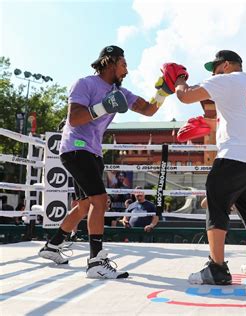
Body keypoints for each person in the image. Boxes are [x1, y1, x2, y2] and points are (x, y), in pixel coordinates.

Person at [38, 45, 166, 279]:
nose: (127, 70)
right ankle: (96, 260)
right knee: (100, 200)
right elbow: (75, 118)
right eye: (124, 64)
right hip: (76, 148)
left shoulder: (122, 92)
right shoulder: (84, 84)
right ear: (110, 62)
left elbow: (148, 110)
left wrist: (163, 90)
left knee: (85, 205)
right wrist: (104, 107)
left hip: (93, 152)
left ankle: (53, 245)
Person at [174, 50, 246, 285]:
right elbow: (240, 118)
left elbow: (186, 96)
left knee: (216, 201)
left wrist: (179, 80)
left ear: (227, 65)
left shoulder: (226, 79)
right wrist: (206, 124)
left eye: (215, 67)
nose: (213, 73)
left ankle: (216, 268)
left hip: (236, 154)